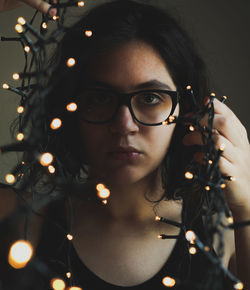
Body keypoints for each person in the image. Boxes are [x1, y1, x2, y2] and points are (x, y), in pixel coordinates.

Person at [0, 0, 249, 289]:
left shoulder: (225, 233)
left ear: (187, 110)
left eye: (150, 98)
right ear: (69, 107)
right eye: (99, 97)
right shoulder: (21, 220)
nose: (124, 125)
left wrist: (246, 206)